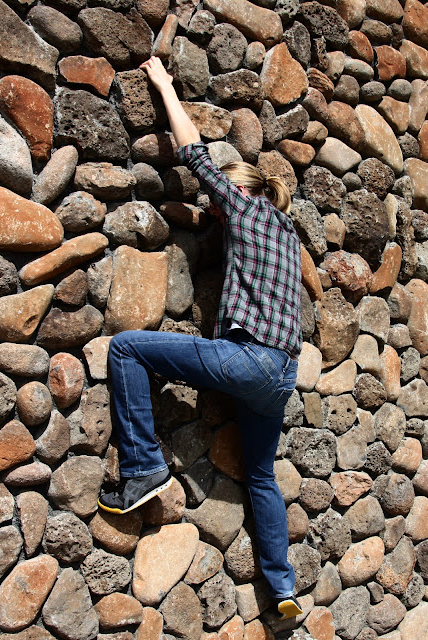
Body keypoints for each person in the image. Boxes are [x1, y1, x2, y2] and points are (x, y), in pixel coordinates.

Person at [98, 56, 304, 620]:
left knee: (127, 348)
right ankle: (283, 588)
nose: (215, 208)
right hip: (282, 375)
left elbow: (195, 154)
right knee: (261, 475)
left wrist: (164, 85)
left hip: (249, 360)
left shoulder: (244, 206)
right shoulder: (287, 233)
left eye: (220, 201)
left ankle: (143, 467)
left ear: (238, 191)